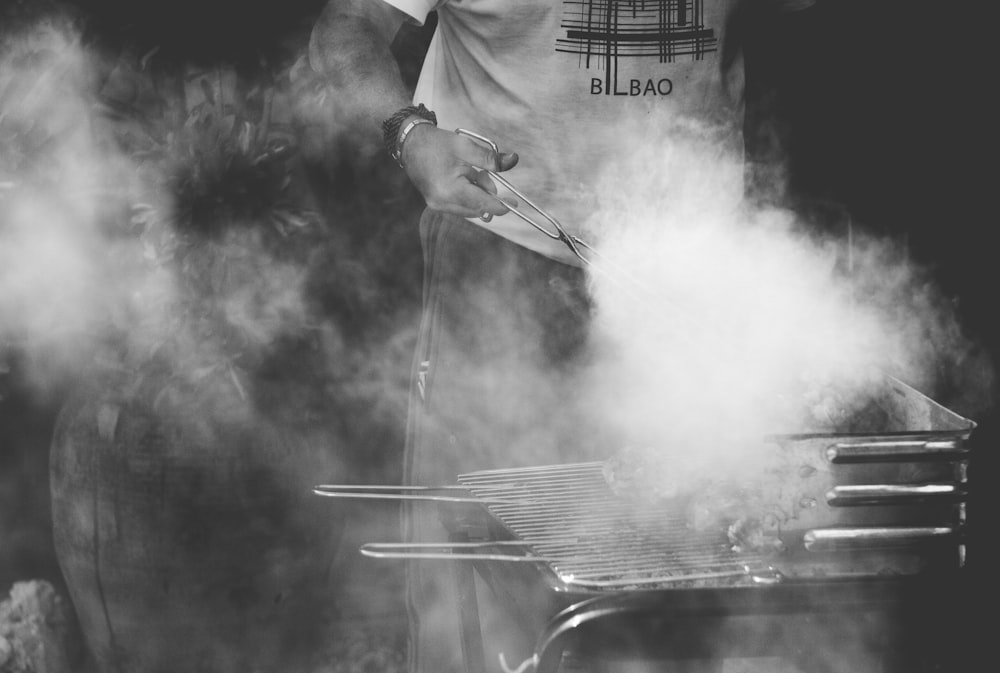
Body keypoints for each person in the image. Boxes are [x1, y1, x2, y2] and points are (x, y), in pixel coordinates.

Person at [308, 2, 815, 672]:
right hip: (505, 258)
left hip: (695, 272)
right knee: (480, 585)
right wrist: (412, 136)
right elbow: (347, 27)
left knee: (696, 575)